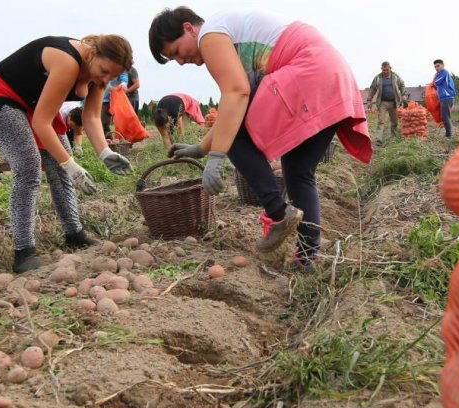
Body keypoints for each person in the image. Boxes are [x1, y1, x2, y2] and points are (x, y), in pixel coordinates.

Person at [149, 7, 371, 270]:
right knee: (298, 171)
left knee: (236, 137)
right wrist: (201, 148)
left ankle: (278, 212)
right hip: (332, 77)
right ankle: (307, 256)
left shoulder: (209, 34)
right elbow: (236, 103)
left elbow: (236, 93)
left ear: (189, 28)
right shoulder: (228, 33)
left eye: (175, 52)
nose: (181, 61)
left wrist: (217, 156)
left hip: (308, 71)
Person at [0, 35, 135, 273]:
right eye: (104, 71)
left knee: (62, 166)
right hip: (1, 99)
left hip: (34, 105)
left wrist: (104, 152)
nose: (106, 79)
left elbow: (92, 117)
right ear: (93, 53)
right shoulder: (67, 61)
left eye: (112, 76)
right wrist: (70, 164)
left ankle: (74, 233)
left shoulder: (98, 74)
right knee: (28, 167)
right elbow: (42, 122)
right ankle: (23, 252)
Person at [367, 61, 407, 146]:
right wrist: (369, 99)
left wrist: (403, 94)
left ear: (390, 68)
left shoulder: (395, 76)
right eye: (384, 70)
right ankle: (378, 140)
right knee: (381, 121)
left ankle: (394, 138)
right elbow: (372, 88)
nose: (385, 71)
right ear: (381, 69)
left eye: (387, 70)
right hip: (382, 103)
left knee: (394, 121)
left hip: (393, 102)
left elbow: (402, 85)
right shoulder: (378, 77)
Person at [433, 59, 456, 138]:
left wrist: (435, 76)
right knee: (445, 116)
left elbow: (436, 82)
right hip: (444, 98)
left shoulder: (444, 73)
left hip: (447, 97)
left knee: (445, 117)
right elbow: (436, 86)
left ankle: (449, 135)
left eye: (438, 66)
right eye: (435, 66)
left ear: (443, 65)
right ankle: (448, 134)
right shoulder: (440, 74)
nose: (436, 68)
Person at [101, 71, 129, 136]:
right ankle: (105, 142)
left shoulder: (117, 63)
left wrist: (124, 82)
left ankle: (109, 143)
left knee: (104, 123)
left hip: (111, 98)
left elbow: (123, 72)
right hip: (98, 97)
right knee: (100, 123)